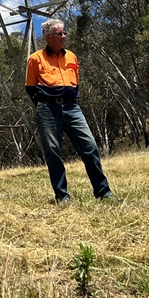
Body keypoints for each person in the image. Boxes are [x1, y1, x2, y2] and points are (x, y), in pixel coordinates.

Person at [25, 19, 119, 203]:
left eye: (64, 32)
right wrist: (44, 106)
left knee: (90, 147)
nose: (64, 36)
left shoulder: (72, 57)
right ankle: (62, 196)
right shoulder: (35, 59)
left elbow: (75, 81)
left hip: (72, 107)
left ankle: (103, 192)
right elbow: (30, 87)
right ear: (48, 37)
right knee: (53, 151)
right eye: (60, 34)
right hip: (48, 109)